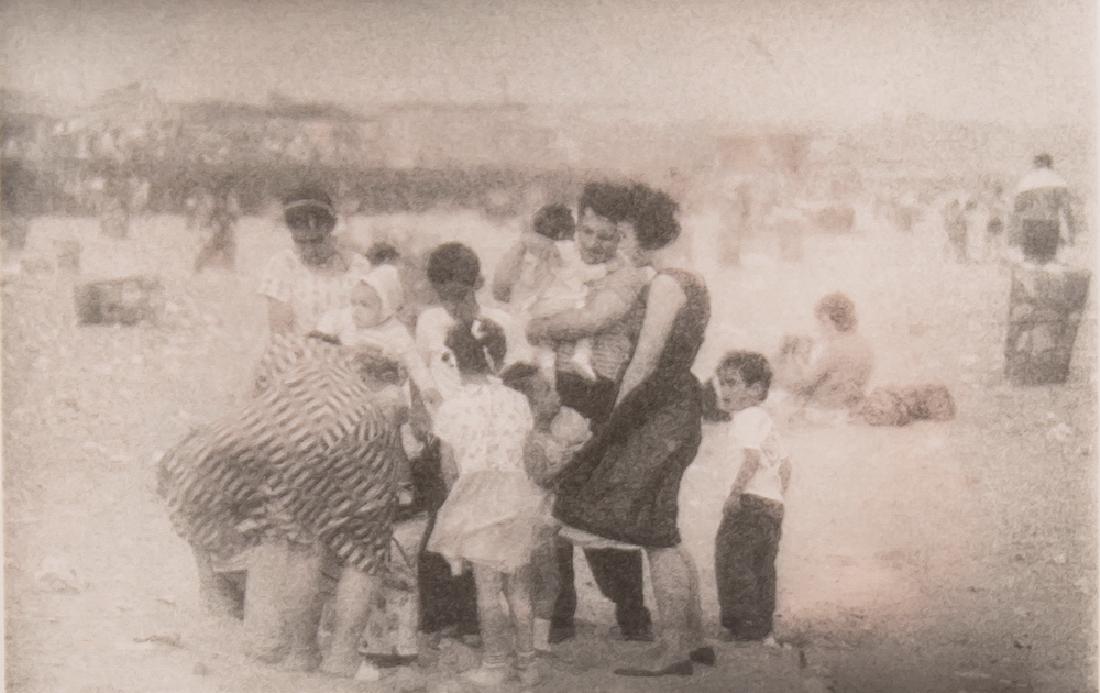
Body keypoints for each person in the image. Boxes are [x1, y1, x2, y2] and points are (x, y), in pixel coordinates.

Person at [536, 182, 715, 676]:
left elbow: (643, 361)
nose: (620, 242)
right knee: (667, 530)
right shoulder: (691, 279)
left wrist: (612, 423)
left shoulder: (664, 284)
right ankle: (693, 638)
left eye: (626, 232)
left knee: (655, 534)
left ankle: (674, 646)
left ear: (644, 232)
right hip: (678, 408)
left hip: (658, 412)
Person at [156, 341, 408, 674]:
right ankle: (342, 658)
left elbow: (251, 413)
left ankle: (301, 654)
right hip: (363, 435)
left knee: (303, 545)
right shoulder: (367, 388)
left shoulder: (292, 353)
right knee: (363, 554)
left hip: (291, 442)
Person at [526, 184, 655, 644]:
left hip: (601, 394)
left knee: (603, 510)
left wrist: (537, 325)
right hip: (561, 389)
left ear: (624, 237)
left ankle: (631, 612)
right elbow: (519, 289)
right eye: (587, 231)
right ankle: (559, 613)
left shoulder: (629, 276)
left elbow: (591, 322)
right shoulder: (565, 265)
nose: (594, 243)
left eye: (607, 236)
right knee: (551, 509)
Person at [414, 243, 529, 643]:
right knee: (442, 522)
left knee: (485, 527)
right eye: (443, 296)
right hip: (447, 431)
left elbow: (518, 373)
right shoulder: (429, 320)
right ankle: (438, 617)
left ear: (478, 283)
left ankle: (478, 620)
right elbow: (420, 370)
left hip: (488, 434)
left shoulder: (501, 322)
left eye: (460, 295)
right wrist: (419, 414)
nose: (452, 305)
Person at [425, 319, 547, 687]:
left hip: (478, 497)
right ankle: (528, 664)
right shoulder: (517, 401)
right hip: (516, 495)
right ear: (498, 356)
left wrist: (457, 506)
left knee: (487, 589)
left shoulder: (452, 407)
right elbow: (531, 456)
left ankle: (495, 664)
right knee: (520, 587)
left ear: (454, 361)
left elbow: (448, 469)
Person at [500, 362, 592, 656]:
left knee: (540, 582)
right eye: (547, 391)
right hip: (536, 521)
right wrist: (572, 462)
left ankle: (533, 640)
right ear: (529, 403)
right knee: (544, 581)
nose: (557, 395)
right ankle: (533, 642)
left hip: (540, 519)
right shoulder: (532, 440)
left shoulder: (542, 435)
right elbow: (540, 477)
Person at [711, 351, 792, 643]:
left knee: (732, 562)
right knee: (762, 567)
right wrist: (775, 496)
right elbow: (785, 466)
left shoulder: (746, 418)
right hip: (771, 506)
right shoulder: (766, 422)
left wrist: (736, 492)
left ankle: (742, 628)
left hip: (747, 503)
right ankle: (761, 627)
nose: (725, 390)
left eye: (732, 383)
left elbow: (751, 458)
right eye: (721, 383)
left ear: (756, 390)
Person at [493, 203, 604, 377]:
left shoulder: (532, 252)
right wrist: (606, 268)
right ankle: (581, 356)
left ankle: (543, 372)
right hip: (569, 305)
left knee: (544, 349)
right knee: (587, 326)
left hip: (538, 308)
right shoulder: (568, 249)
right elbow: (583, 272)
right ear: (564, 233)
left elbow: (511, 286)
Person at [258, 185, 372, 337]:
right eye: (301, 243)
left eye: (317, 241)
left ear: (331, 228)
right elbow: (281, 334)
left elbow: (372, 323)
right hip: (302, 355)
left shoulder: (358, 266)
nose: (310, 250)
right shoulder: (284, 265)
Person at [790, 292, 875, 414]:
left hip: (827, 410)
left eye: (823, 321)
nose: (820, 327)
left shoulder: (836, 348)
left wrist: (798, 360)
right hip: (851, 409)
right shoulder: (863, 345)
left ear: (837, 320)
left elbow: (807, 381)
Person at [1009, 153, 1079, 265]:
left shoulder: (1027, 180)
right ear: (1050, 164)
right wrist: (1072, 233)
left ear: (1036, 164)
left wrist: (1013, 235)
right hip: (1050, 224)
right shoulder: (1058, 180)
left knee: (1030, 263)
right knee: (1048, 262)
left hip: (1030, 224)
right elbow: (1066, 209)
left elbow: (1018, 207)